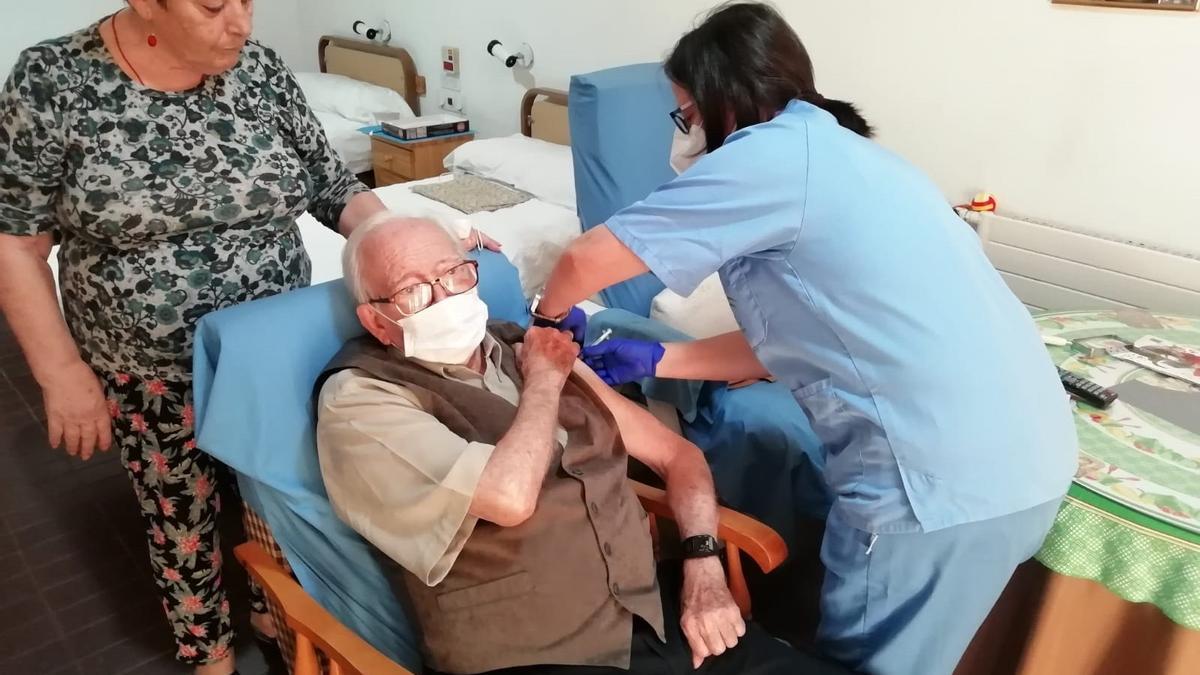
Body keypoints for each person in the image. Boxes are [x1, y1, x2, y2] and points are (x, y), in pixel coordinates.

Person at [529, 3, 1078, 674]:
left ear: (723, 98)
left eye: (686, 114)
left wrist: (545, 324)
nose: (684, 134)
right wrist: (663, 356)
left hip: (936, 485)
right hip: (1025, 458)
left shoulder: (766, 159)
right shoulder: (846, 153)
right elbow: (802, 334)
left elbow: (587, 260)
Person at [0, 3, 494, 674]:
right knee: (182, 518)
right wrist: (61, 374)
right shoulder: (53, 80)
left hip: (273, 352)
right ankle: (210, 656)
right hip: (150, 364)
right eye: (212, 6)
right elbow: (16, 244)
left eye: (246, 0)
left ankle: (278, 613)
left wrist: (411, 252)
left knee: (280, 491)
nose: (240, 22)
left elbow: (333, 184)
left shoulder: (257, 70)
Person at [314, 215, 850, 675]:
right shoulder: (361, 400)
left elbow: (677, 456)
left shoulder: (521, 345)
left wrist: (704, 566)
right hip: (534, 657)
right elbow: (507, 498)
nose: (444, 298)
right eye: (412, 291)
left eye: (453, 274)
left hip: (659, 619)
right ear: (375, 320)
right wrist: (545, 380)